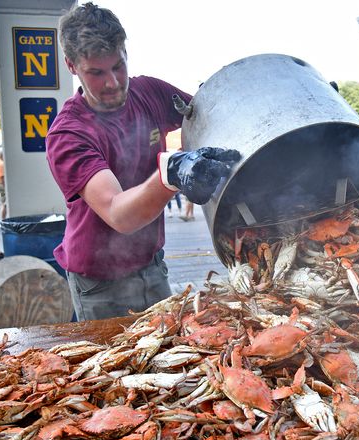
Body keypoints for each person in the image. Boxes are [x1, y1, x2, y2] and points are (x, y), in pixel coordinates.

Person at [46, 2, 239, 321]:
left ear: (125, 52)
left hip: (151, 265)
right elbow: (118, 213)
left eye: (118, 66)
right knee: (114, 367)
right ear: (71, 65)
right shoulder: (69, 134)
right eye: (96, 73)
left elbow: (212, 116)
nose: (113, 82)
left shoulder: (148, 91)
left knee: (170, 353)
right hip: (99, 283)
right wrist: (172, 173)